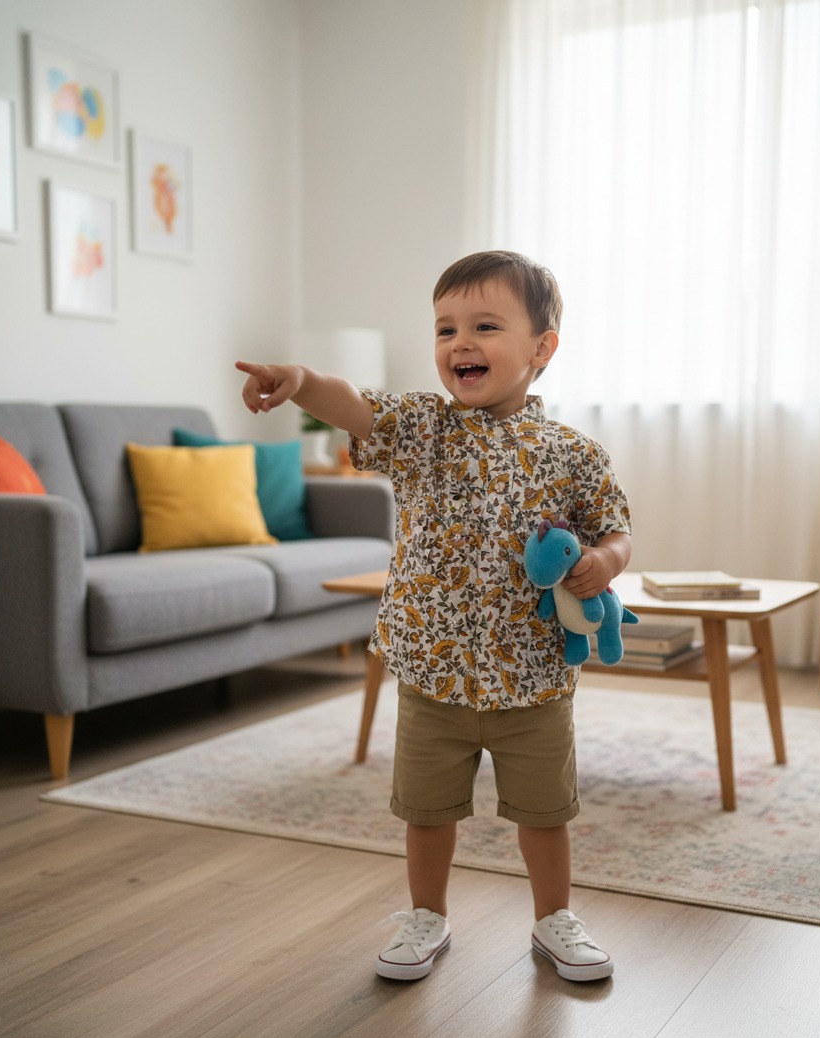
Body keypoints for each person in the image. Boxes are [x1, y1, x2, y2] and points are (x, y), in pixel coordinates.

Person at [237, 250, 631, 983]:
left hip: (533, 676)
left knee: (546, 813)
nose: (460, 343)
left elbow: (615, 529)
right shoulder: (423, 427)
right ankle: (427, 915)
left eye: (485, 326)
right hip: (431, 670)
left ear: (542, 347)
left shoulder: (575, 454)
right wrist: (302, 382)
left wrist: (604, 563)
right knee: (426, 811)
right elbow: (355, 404)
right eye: (446, 329)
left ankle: (554, 919)